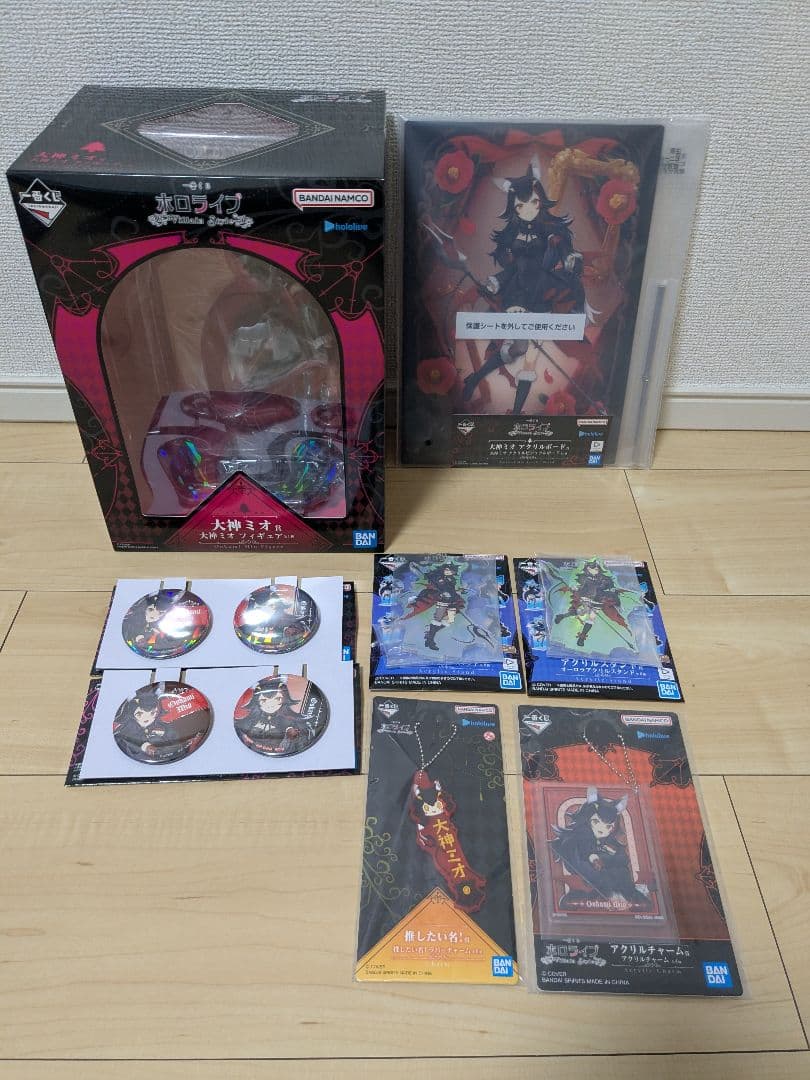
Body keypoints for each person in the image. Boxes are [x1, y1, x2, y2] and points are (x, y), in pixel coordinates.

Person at [461, 158, 588, 413]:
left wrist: (570, 259)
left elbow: (567, 254)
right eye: (520, 205)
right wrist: (498, 281)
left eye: (533, 202)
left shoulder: (552, 229)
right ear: (514, 207)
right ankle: (475, 378)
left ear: (540, 201)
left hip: (543, 292)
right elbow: (510, 264)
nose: (528, 210)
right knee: (518, 347)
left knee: (530, 358)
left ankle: (516, 414)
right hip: (518, 294)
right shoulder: (512, 231)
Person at [550, 787, 653, 910]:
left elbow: (623, 858)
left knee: (621, 871)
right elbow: (583, 855)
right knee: (599, 876)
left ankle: (629, 893)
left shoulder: (609, 841)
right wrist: (594, 857)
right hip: (588, 879)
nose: (601, 829)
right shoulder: (580, 836)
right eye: (596, 822)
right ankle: (615, 894)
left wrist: (605, 859)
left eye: (608, 827)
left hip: (610, 882)